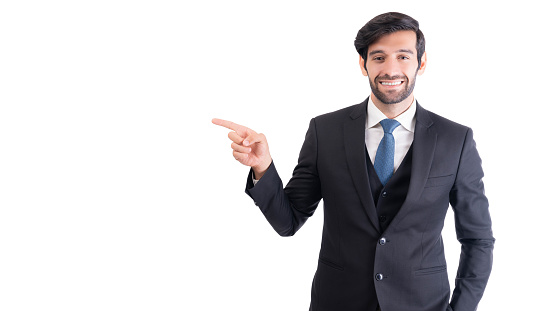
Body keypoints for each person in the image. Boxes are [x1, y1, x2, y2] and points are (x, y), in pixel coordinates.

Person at [212, 12, 494, 311]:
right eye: (378, 57)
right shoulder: (325, 131)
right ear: (363, 64)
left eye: (403, 56)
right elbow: (288, 221)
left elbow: (478, 240)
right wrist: (263, 167)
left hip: (423, 304)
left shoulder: (455, 140)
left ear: (421, 63)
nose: (391, 69)